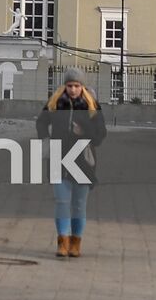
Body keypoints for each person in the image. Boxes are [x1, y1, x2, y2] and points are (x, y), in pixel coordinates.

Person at [36, 67, 107, 258]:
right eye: (69, 85)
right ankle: (62, 242)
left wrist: (83, 131)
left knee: (78, 204)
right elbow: (41, 121)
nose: (73, 89)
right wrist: (45, 137)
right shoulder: (55, 103)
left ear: (82, 86)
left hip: (82, 161)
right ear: (65, 86)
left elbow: (100, 135)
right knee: (61, 201)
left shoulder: (91, 106)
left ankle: (75, 243)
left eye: (76, 86)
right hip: (58, 158)